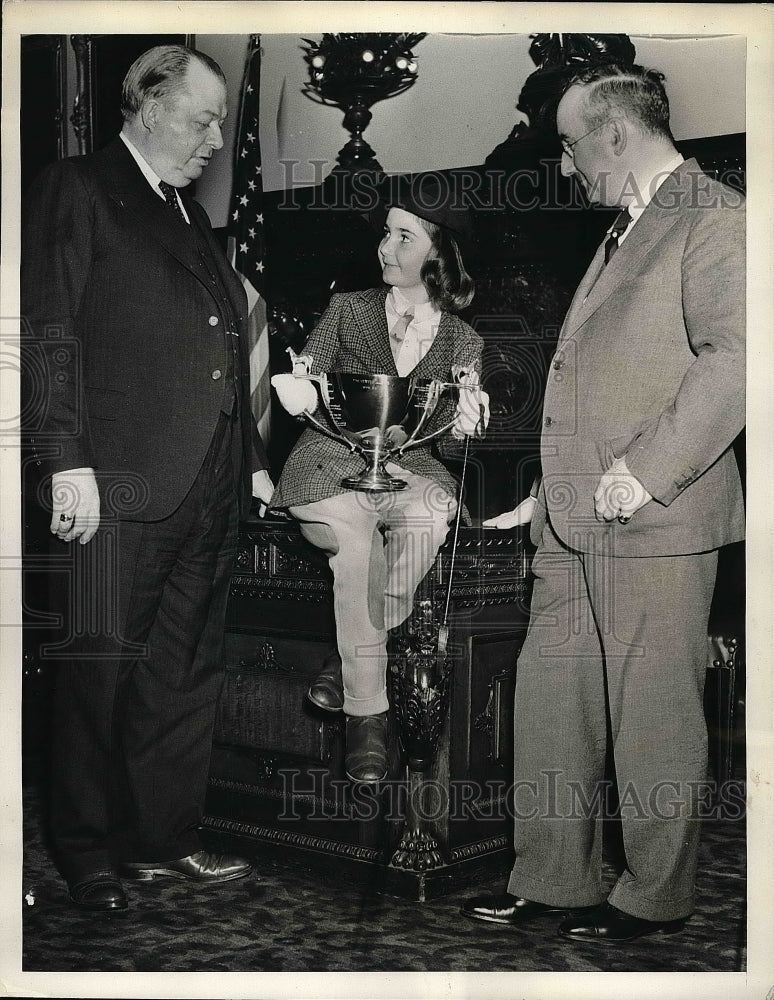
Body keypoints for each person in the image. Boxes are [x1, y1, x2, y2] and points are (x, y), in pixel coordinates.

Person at [462, 63, 745, 942]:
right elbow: (600, 374)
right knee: (554, 699)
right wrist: (550, 485)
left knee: (653, 710)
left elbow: (738, 360)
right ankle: (554, 878)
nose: (566, 164)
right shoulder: (623, 227)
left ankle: (655, 896)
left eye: (570, 144)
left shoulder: (716, 217)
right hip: (574, 514)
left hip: (655, 514)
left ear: (614, 133)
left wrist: (645, 472)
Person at [22, 44, 274, 912]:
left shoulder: (186, 211)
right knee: (98, 672)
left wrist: (249, 465)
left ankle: (162, 839)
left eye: (220, 124)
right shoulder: (78, 188)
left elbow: (222, 343)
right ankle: (85, 851)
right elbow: (47, 332)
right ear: (150, 104)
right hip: (116, 484)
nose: (215, 141)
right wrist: (65, 463)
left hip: (207, 481)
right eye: (203, 120)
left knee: (181, 671)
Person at [270, 175, 488, 784]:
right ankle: (366, 718)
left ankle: (348, 660)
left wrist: (465, 423)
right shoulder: (348, 309)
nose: (385, 247)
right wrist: (299, 389)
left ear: (439, 253)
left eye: (403, 236)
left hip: (410, 470)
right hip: (330, 464)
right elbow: (309, 379)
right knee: (356, 543)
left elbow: (446, 444)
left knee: (432, 513)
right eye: (385, 234)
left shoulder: (464, 340)